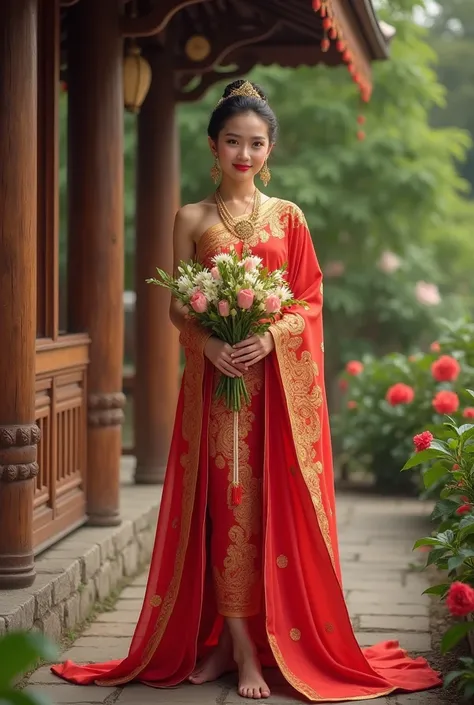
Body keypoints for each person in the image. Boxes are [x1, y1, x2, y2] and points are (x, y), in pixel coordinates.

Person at [51, 80, 442, 701]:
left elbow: (310, 301)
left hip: (275, 392)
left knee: (271, 516)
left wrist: (270, 337)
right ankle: (234, 649)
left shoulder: (290, 217)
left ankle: (264, 643)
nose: (244, 153)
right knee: (226, 508)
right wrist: (208, 344)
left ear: (270, 149)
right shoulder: (191, 218)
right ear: (213, 145)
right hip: (215, 389)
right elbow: (180, 307)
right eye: (233, 140)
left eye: (255, 143)